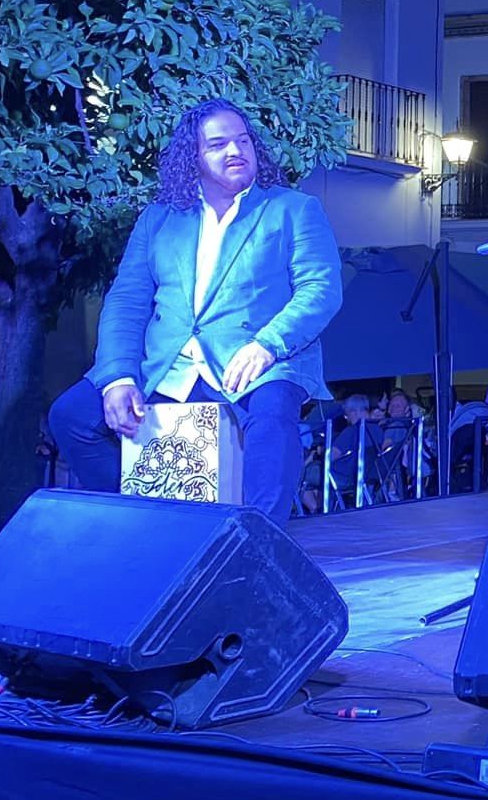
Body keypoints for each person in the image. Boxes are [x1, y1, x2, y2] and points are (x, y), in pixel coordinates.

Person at [48, 98, 342, 529]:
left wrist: (268, 344)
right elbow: (127, 301)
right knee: (70, 416)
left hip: (258, 362)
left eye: (243, 141)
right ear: (193, 157)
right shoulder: (159, 218)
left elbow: (321, 289)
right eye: (218, 144)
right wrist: (119, 377)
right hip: (168, 365)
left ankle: (260, 544)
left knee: (273, 413)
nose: (235, 151)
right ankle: (138, 519)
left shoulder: (293, 209)